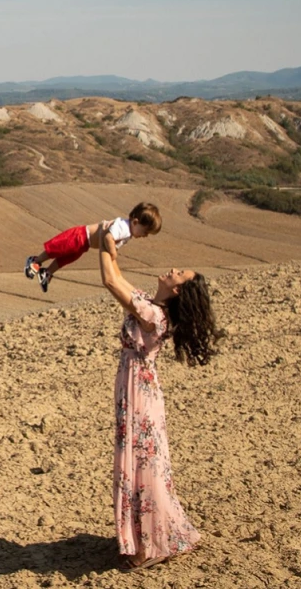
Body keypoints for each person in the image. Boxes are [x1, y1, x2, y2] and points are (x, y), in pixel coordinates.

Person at [98, 226, 218, 571]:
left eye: (179, 273)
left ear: (178, 289)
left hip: (140, 392)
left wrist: (103, 241)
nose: (172, 270)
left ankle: (150, 543)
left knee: (144, 465)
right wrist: (109, 245)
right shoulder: (149, 305)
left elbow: (109, 282)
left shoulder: (153, 316)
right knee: (142, 463)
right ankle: (146, 537)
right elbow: (116, 278)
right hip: (133, 387)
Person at [24, 202, 161, 292]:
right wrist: (113, 253)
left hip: (85, 243)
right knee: (59, 248)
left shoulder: (128, 233)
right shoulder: (124, 227)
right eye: (145, 232)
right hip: (81, 235)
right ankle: (36, 261)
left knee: (66, 258)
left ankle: (47, 272)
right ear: (136, 222)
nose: (145, 236)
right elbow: (108, 237)